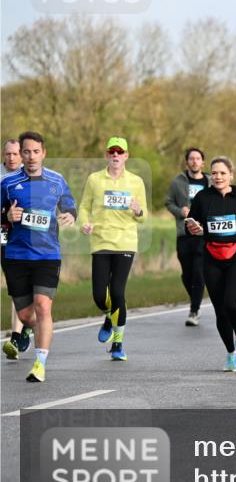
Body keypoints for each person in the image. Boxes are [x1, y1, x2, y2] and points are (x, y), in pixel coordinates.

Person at [1, 131, 77, 381]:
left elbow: (69, 205)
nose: (31, 156)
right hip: (17, 255)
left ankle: (40, 363)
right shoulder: (8, 184)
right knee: (25, 315)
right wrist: (6, 218)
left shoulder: (57, 180)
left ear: (43, 153)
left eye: (36, 151)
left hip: (47, 254)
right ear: (20, 155)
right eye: (26, 152)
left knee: (43, 306)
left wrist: (70, 216)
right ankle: (37, 330)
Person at [77, 137, 148, 360]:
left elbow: (143, 216)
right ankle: (109, 315)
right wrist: (84, 223)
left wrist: (138, 212)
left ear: (126, 155)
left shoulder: (136, 181)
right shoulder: (94, 179)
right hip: (100, 242)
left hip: (125, 242)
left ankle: (117, 344)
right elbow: (84, 207)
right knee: (100, 295)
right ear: (107, 155)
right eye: (112, 152)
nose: (116, 155)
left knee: (117, 292)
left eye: (120, 152)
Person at [185, 156, 236, 372]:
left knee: (231, 304)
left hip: (235, 256)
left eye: (222, 173)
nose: (218, 177)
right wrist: (193, 228)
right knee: (220, 311)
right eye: (214, 173)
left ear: (231, 175)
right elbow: (192, 223)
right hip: (211, 257)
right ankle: (230, 353)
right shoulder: (202, 197)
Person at [165, 148, 208, 326]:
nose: (194, 161)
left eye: (198, 158)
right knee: (187, 274)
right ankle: (195, 300)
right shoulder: (177, 182)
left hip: (202, 234)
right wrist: (180, 211)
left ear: (202, 163)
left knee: (199, 272)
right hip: (184, 233)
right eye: (191, 158)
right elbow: (168, 202)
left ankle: (194, 311)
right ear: (187, 162)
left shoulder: (210, 182)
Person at [2, 139, 27, 357]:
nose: (11, 157)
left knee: (17, 286)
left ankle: (16, 336)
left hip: (20, 238)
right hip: (2, 233)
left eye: (15, 154)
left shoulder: (29, 177)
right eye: (7, 154)